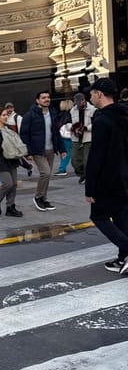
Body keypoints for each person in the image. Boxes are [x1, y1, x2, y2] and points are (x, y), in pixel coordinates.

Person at [84, 77, 128, 274]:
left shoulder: (102, 120)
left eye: (92, 93)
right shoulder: (124, 114)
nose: (90, 96)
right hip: (124, 176)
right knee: (121, 217)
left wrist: (90, 187)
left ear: (99, 94)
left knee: (99, 215)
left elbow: (96, 156)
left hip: (108, 179)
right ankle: (123, 258)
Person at [20, 91, 66, 211]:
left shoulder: (52, 113)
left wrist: (62, 149)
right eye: (43, 98)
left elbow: (56, 132)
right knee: (45, 173)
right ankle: (38, 197)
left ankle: (44, 199)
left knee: (48, 175)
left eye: (48, 97)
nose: (47, 99)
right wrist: (28, 152)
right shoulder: (30, 115)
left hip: (50, 149)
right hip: (37, 150)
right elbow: (24, 134)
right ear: (37, 100)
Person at [68, 92, 96, 183]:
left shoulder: (92, 109)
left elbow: (95, 124)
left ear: (84, 100)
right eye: (76, 103)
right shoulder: (73, 110)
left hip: (88, 137)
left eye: (79, 102)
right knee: (74, 159)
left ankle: (88, 176)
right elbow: (69, 122)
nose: (78, 105)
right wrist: (73, 128)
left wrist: (86, 128)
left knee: (87, 160)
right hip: (76, 137)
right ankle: (81, 173)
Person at [54, 100, 73, 176]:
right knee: (67, 152)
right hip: (69, 136)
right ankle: (62, 169)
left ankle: (62, 169)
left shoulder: (60, 115)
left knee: (64, 152)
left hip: (62, 136)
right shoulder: (70, 114)